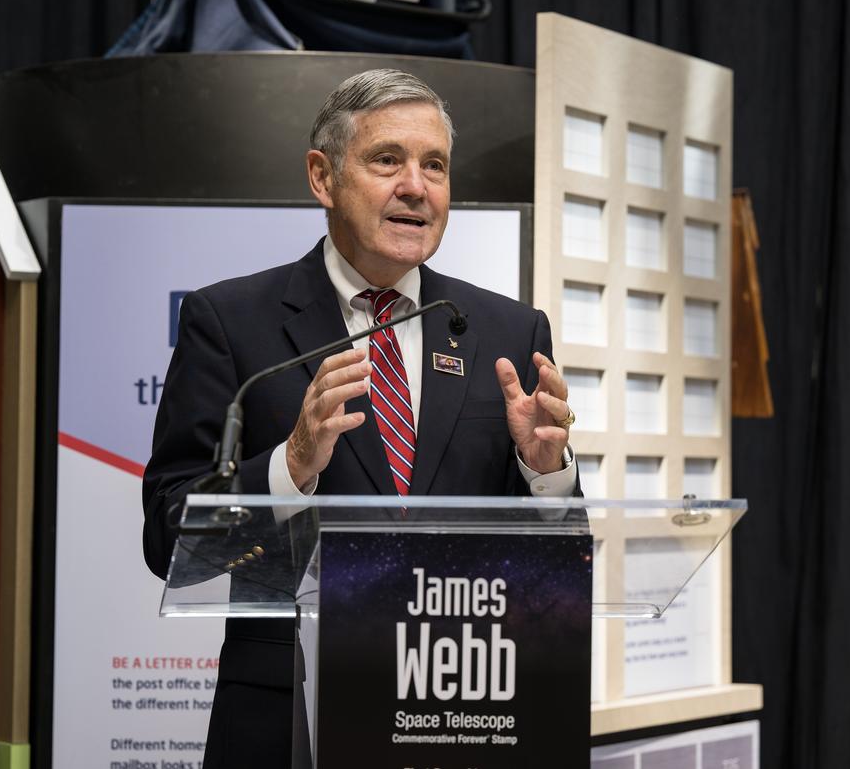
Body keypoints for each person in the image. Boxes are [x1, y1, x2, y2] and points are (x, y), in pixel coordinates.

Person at [142, 68, 578, 768]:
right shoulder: (230, 323)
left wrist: (545, 470)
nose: (417, 186)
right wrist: (290, 466)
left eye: (434, 165)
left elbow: (560, 560)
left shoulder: (506, 330)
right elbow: (167, 537)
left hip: (461, 717)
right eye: (387, 160)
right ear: (322, 177)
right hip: (290, 727)